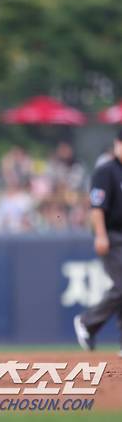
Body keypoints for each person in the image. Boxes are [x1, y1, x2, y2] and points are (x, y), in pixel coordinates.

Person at [74, 131, 122, 357]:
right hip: (112, 236)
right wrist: (101, 235)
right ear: (117, 145)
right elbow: (97, 207)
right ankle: (87, 321)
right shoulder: (106, 171)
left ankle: (91, 324)